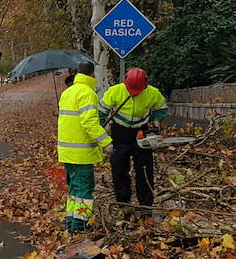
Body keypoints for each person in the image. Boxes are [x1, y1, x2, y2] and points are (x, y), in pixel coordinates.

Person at [98, 68, 168, 218]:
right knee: (119, 170)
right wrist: (100, 134)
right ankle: (124, 205)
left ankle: (145, 208)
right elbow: (101, 112)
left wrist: (155, 123)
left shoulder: (153, 93)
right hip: (119, 133)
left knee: (145, 170)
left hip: (140, 132)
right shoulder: (114, 91)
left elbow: (161, 108)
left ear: (146, 84)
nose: (135, 92)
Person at [57, 61, 113, 233]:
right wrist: (107, 142)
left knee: (74, 189)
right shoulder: (87, 93)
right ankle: (79, 227)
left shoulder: (68, 92)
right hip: (81, 153)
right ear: (93, 74)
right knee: (84, 190)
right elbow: (89, 123)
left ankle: (70, 221)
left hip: (67, 151)